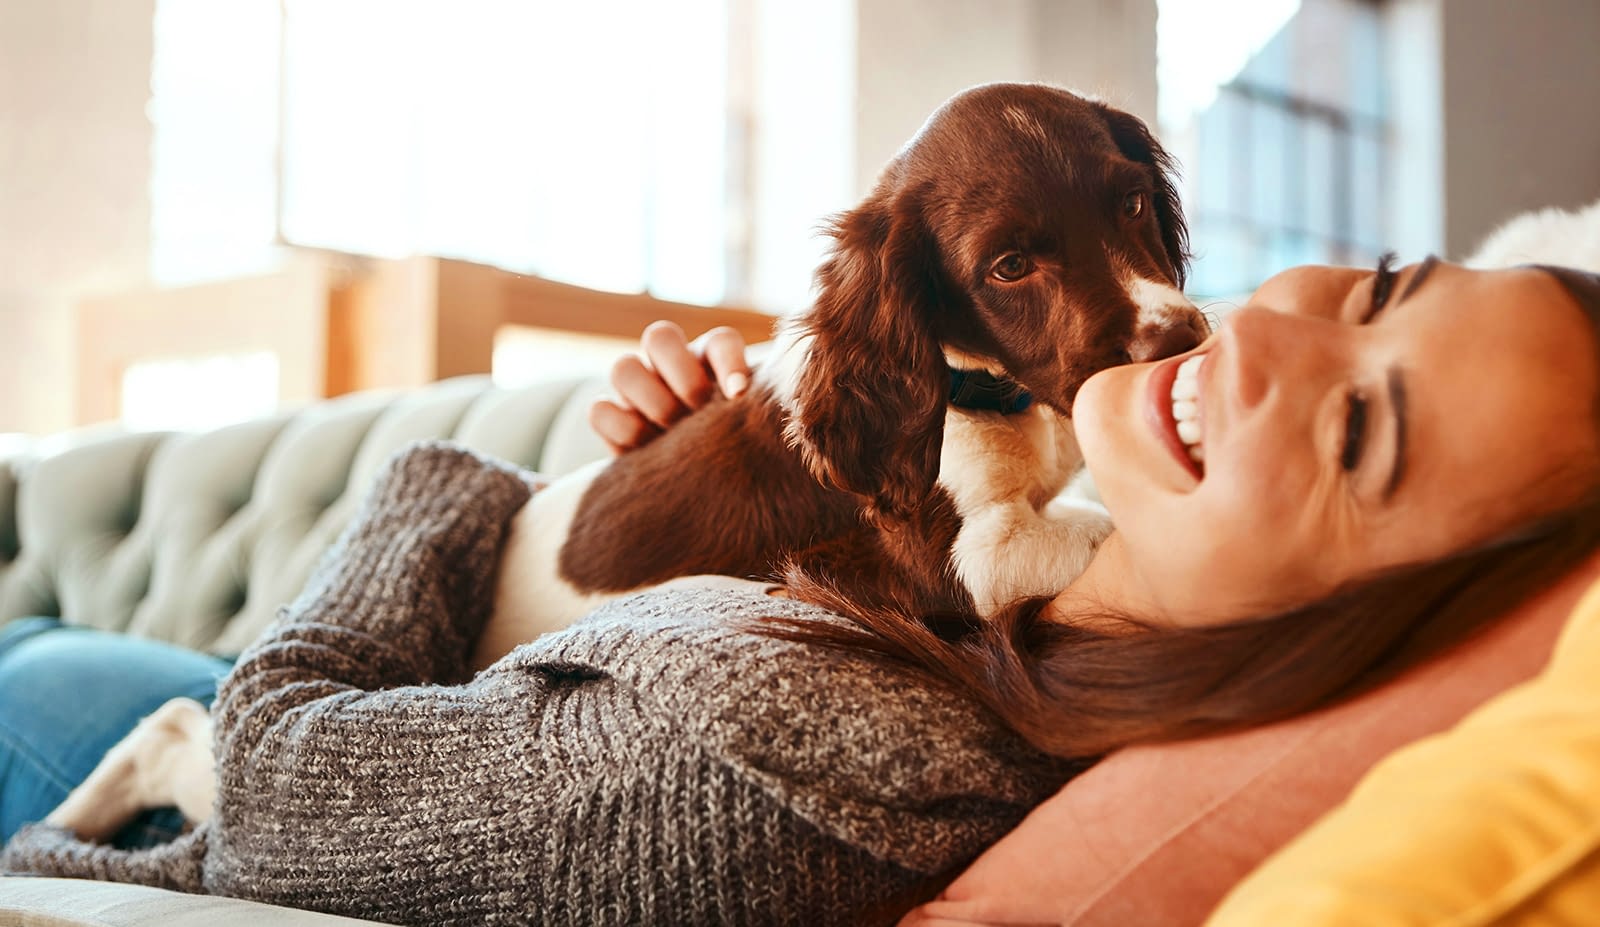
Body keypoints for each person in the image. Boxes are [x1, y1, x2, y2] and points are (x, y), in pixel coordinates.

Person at [2, 258, 1599, 926]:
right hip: (178, 686)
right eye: (1384, 286)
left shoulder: (817, 759)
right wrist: (653, 490)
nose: (1266, 337)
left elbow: (279, 780)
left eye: (1357, 430)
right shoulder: (1018, 568)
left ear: (1365, 629)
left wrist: (470, 489)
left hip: (112, 752)